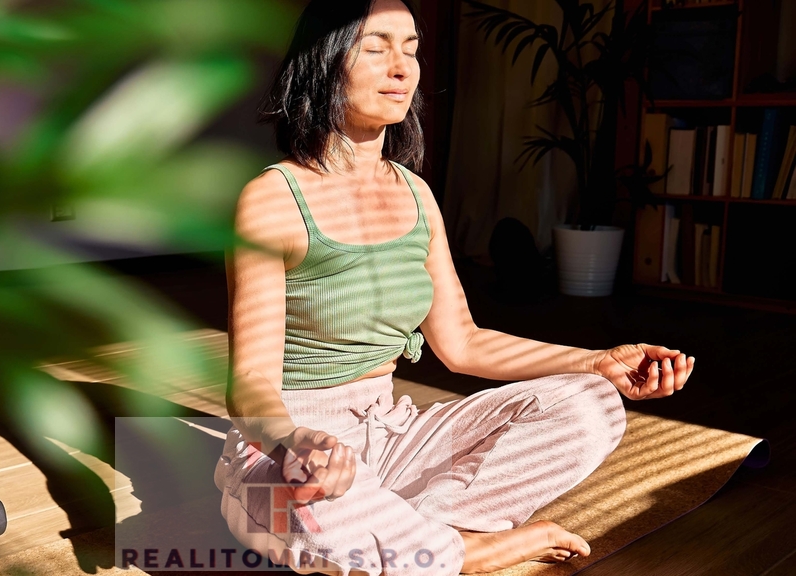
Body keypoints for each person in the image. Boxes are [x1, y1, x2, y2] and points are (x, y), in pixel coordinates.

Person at [214, 1, 695, 574]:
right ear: (323, 62)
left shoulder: (415, 194)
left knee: (591, 404)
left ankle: (426, 536)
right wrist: (297, 443)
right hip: (291, 445)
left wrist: (598, 363)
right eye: (376, 48)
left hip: (392, 434)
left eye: (411, 50)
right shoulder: (272, 200)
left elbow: (463, 343)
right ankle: (460, 548)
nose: (402, 68)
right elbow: (250, 382)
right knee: (312, 513)